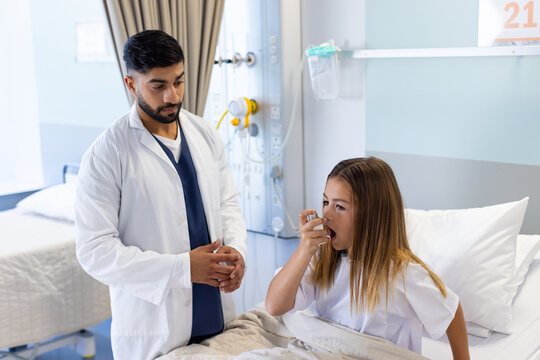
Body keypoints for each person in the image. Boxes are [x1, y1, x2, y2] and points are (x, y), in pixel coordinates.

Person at [75, 30, 247, 360]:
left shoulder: (204, 133)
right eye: (158, 86)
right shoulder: (107, 154)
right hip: (154, 330)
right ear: (131, 84)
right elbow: (94, 250)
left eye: (179, 82)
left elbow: (227, 203)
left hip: (216, 316)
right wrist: (183, 269)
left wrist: (237, 252)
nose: (172, 96)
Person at [265, 157, 470, 359]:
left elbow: (451, 311)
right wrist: (304, 250)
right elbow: (275, 306)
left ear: (371, 216)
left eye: (340, 207)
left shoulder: (402, 272)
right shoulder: (323, 258)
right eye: (326, 201)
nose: (326, 214)